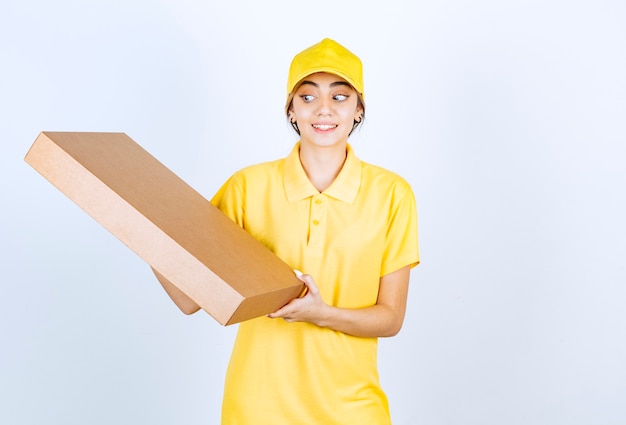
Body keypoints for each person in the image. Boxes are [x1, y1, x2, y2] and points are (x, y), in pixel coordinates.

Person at [167, 38, 419, 424]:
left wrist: (322, 314)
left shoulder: (392, 195)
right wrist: (133, 227)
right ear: (291, 109)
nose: (323, 109)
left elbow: (390, 318)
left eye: (339, 97)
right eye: (307, 96)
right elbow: (189, 300)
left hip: (352, 408)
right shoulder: (248, 188)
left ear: (358, 110)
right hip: (257, 407)